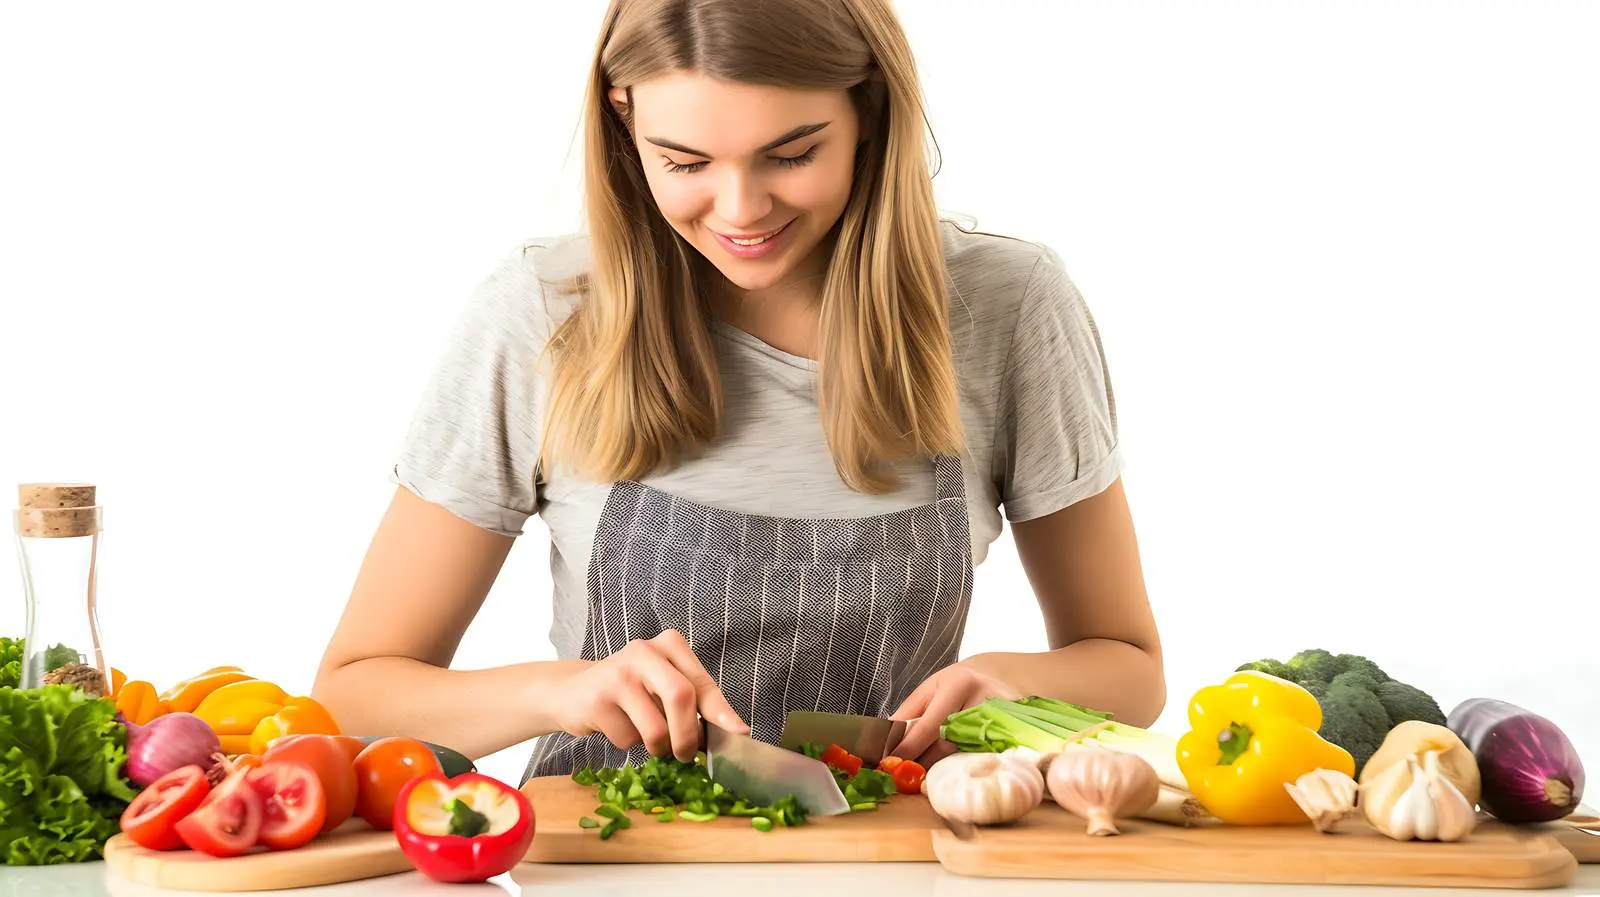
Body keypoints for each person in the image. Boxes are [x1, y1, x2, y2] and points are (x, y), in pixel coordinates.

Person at [312, 0, 1165, 784]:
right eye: (684, 162)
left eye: (791, 154)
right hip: (605, 861)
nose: (740, 209)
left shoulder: (1008, 307)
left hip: (897, 859)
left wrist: (1014, 687)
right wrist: (560, 691)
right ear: (623, 117)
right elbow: (353, 693)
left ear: (869, 112)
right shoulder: (542, 311)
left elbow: (1128, 664)